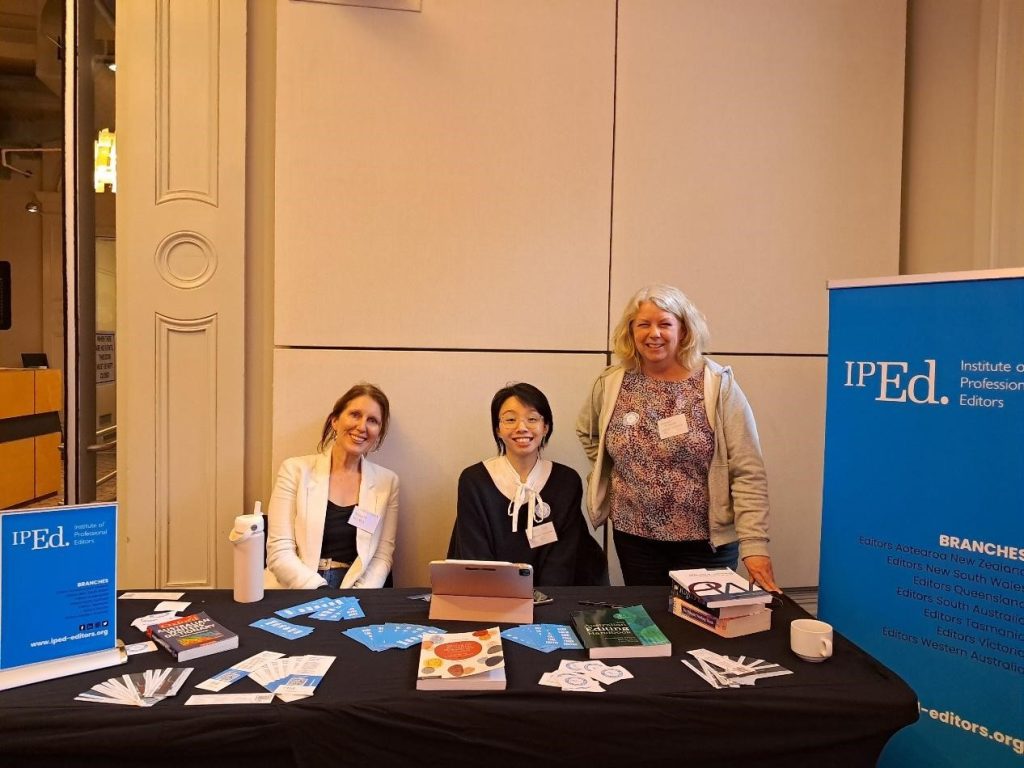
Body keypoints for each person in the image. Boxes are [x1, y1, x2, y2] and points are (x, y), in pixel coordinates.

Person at [576, 285, 779, 591]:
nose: (653, 333)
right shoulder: (612, 383)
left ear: (683, 330)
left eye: (664, 324)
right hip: (635, 537)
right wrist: (621, 470)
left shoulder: (716, 385)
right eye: (643, 324)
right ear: (631, 331)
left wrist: (755, 545)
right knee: (651, 626)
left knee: (704, 629)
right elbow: (590, 432)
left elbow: (747, 469)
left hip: (706, 542)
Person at [448, 383, 604, 586]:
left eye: (532, 419)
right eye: (510, 419)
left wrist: (543, 600)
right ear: (498, 429)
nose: (521, 427)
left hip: (551, 598)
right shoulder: (474, 480)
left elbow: (564, 558)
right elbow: (474, 552)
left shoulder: (566, 480)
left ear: (545, 426)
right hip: (489, 597)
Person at [265, 383, 398, 589]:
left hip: (356, 588)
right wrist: (321, 593)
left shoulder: (387, 482)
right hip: (298, 586)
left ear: (378, 433)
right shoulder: (294, 470)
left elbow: (382, 557)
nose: (362, 426)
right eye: (355, 414)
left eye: (372, 421)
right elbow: (279, 551)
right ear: (335, 421)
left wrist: (356, 598)